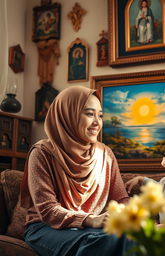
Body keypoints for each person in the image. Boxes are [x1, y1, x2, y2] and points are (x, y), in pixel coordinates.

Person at [20, 86, 134, 256]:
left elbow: (121, 199)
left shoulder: (105, 154)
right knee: (100, 241)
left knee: (129, 238)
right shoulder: (42, 152)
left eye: (100, 115)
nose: (97, 122)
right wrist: (90, 219)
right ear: (68, 115)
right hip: (44, 228)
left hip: (88, 229)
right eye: (89, 114)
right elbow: (48, 210)